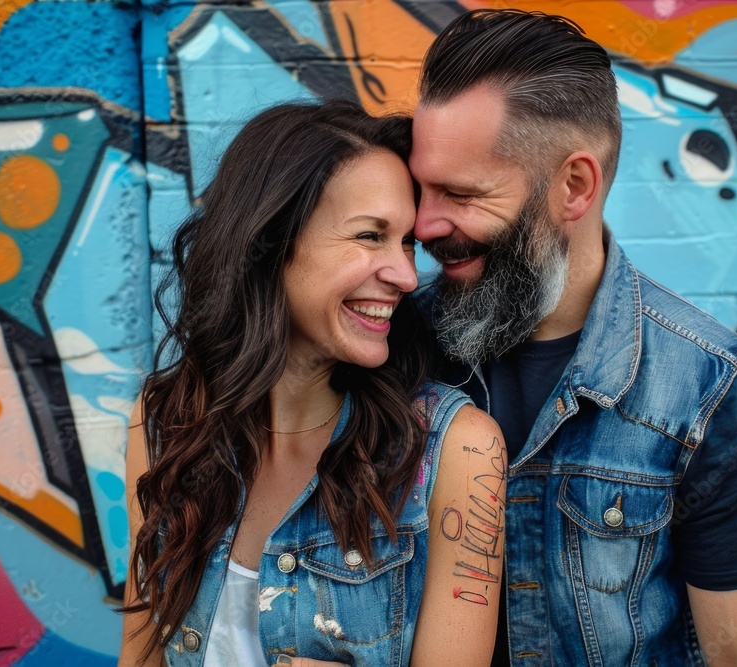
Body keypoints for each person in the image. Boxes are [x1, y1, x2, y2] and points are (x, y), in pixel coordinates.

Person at [408, 10, 737, 666]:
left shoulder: (711, 391)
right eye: (420, 188)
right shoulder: (394, 353)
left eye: (458, 192)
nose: (422, 224)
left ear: (574, 186)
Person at [118, 100, 505, 667]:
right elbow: (141, 654)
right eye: (371, 236)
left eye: (406, 243)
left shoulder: (456, 451)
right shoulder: (166, 423)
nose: (403, 274)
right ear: (272, 244)